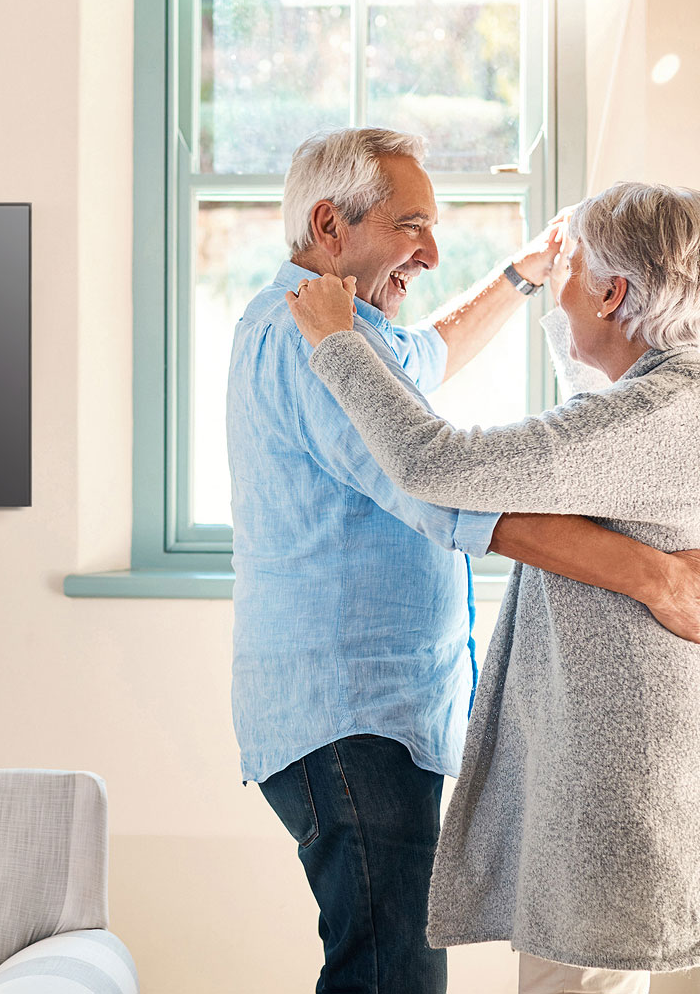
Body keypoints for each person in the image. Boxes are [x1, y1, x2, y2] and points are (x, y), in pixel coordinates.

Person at [225, 130, 700, 994]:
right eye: (412, 226)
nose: (433, 254)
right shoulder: (311, 341)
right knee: (390, 975)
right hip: (350, 716)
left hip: (376, 712)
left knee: (392, 964)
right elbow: (446, 493)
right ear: (332, 225)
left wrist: (520, 277)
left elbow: (426, 356)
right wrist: (656, 575)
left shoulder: (350, 330)